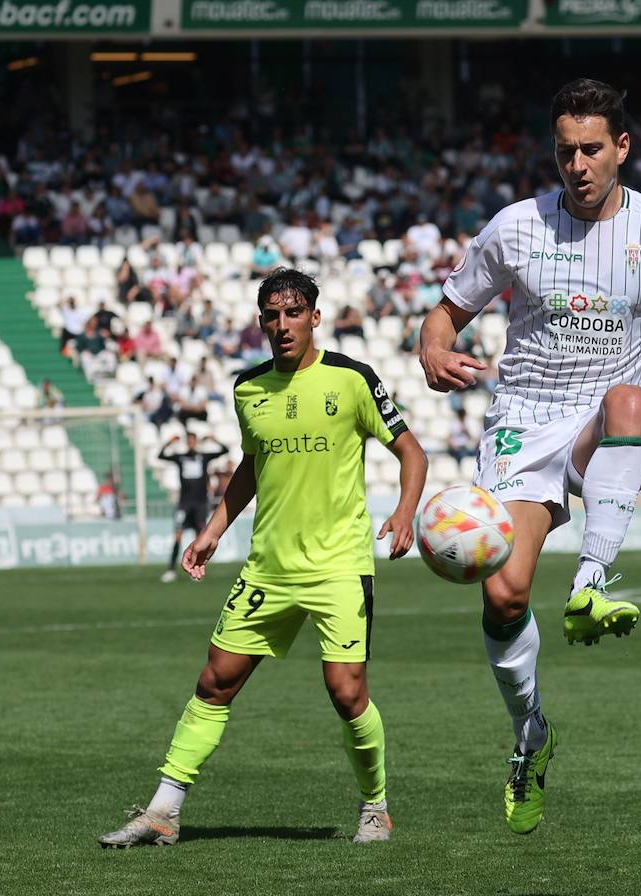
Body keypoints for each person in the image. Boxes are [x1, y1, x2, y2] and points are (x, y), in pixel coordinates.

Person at [418, 79, 641, 835]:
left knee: (629, 399)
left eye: (592, 149)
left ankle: (592, 582)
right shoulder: (517, 228)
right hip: (525, 419)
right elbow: (448, 312)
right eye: (565, 151)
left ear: (622, 148)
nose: (578, 164)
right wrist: (432, 347)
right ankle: (531, 733)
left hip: (605, 416)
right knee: (503, 596)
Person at [98, 268, 428, 848]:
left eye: (293, 313)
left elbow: (411, 452)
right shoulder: (248, 389)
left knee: (347, 692)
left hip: (339, 566)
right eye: (271, 315)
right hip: (269, 567)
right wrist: (213, 530)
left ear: (314, 317)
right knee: (214, 681)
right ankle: (163, 812)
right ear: (260, 322)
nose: (282, 325)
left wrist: (405, 513)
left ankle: (375, 806)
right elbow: (252, 466)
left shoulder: (353, 380)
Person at [157, 433, 229, 583]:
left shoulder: (204, 457)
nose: (191, 443)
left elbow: (225, 450)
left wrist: (213, 439)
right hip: (184, 503)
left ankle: (196, 570)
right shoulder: (181, 458)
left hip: (200, 504)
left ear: (196, 442)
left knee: (200, 537)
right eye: (188, 441)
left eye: (192, 441)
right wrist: (169, 441)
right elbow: (161, 456)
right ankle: (171, 570)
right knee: (178, 536)